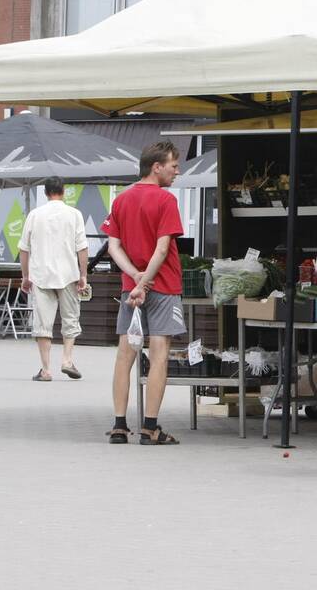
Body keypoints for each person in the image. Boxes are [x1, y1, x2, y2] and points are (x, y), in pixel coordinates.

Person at [101, 141, 186, 446]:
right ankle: (150, 428)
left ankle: (120, 426)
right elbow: (163, 249)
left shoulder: (121, 200)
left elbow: (114, 247)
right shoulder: (165, 201)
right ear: (157, 167)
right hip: (162, 287)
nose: (177, 172)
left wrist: (134, 278)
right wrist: (145, 281)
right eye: (173, 166)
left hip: (131, 289)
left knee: (125, 355)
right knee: (159, 355)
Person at [19, 177, 89, 382]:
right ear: (63, 191)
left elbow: (24, 249)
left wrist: (25, 276)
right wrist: (83, 274)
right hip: (68, 274)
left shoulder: (34, 215)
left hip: (40, 276)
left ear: (45, 193)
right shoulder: (74, 214)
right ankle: (67, 360)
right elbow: (82, 248)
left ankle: (45, 369)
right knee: (70, 319)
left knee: (43, 324)